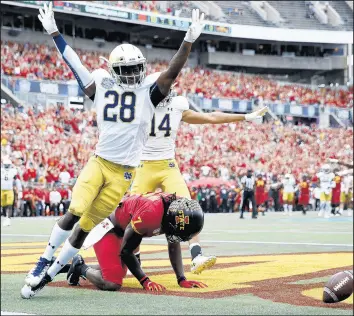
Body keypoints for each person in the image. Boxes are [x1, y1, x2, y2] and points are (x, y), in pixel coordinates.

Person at [24, 3, 206, 296]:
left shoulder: (147, 92)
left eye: (137, 68)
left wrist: (188, 40)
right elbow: (77, 67)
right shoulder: (109, 87)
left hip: (124, 174)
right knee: (76, 211)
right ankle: (43, 262)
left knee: (85, 225)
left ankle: (56, 270)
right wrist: (55, 33)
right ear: (115, 71)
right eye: (128, 70)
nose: (134, 74)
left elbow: (172, 73)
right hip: (100, 162)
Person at [130, 89, 267, 272]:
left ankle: (196, 256)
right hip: (143, 165)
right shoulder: (140, 105)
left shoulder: (175, 106)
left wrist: (245, 116)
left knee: (189, 209)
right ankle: (135, 261)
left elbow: (210, 117)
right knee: (134, 215)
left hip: (167, 165)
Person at [22, 192, 206, 297]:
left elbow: (172, 244)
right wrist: (145, 281)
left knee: (129, 268)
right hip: (109, 227)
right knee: (112, 282)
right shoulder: (152, 214)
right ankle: (80, 267)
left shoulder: (175, 210)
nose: (180, 237)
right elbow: (126, 250)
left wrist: (181, 279)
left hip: (127, 228)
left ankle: (72, 267)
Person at [1, 158, 18, 226]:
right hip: (2, 190)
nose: (7, 166)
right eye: (6, 165)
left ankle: (8, 219)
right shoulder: (2, 170)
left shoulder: (13, 171)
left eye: (8, 165)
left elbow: (15, 179)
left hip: (9, 190)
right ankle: (6, 218)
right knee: (3, 205)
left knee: (9, 205)